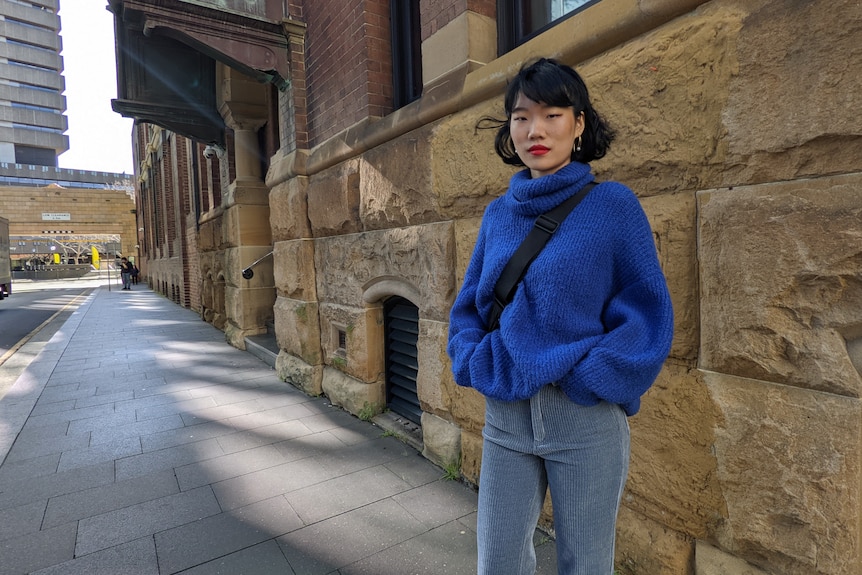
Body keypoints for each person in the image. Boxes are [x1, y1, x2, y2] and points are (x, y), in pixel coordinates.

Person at [447, 58, 674, 575]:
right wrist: (477, 361)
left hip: (585, 416)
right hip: (508, 412)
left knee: (587, 564)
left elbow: (647, 314)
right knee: (499, 561)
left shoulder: (613, 206)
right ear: (510, 129)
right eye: (522, 117)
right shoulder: (498, 214)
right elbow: (468, 311)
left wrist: (592, 377)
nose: (536, 130)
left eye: (553, 114)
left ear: (579, 123)